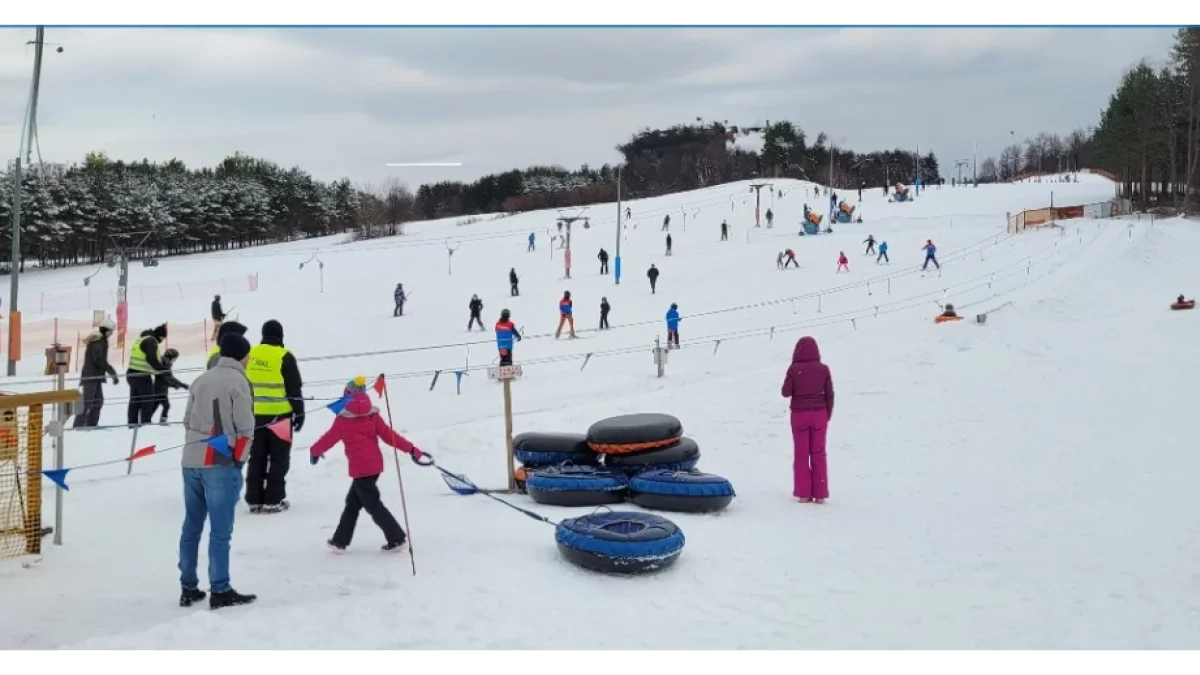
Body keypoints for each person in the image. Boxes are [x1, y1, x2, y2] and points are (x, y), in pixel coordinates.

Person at [179, 332, 257, 610]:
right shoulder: (238, 382)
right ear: (242, 355)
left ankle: (188, 587)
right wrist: (239, 460)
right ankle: (220, 589)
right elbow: (246, 428)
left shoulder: (201, 379)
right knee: (220, 531)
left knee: (192, 526)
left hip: (191, 461)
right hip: (221, 463)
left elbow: (187, 420)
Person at [310, 376, 430, 554]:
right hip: (374, 467)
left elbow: (329, 438)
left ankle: (397, 538)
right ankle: (339, 542)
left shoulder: (343, 420)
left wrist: (315, 451)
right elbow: (390, 436)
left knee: (373, 505)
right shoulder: (372, 416)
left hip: (360, 470)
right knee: (352, 503)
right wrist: (411, 449)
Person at [245, 320, 305, 514]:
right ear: (280, 336)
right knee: (279, 458)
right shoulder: (284, 356)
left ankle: (254, 500)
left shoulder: (249, 354)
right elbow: (293, 388)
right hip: (280, 416)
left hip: (253, 415)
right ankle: (273, 499)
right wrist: (300, 412)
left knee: (257, 457)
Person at [781, 336, 834, 504]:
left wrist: (792, 377)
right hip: (820, 415)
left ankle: (803, 493)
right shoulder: (824, 369)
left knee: (801, 453)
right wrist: (827, 415)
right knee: (818, 453)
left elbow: (786, 392)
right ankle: (820, 494)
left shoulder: (794, 369)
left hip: (799, 415)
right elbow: (830, 394)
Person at [73, 318, 119, 428]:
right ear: (106, 330)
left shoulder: (101, 340)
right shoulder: (98, 341)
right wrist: (111, 371)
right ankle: (78, 426)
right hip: (91, 376)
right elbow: (98, 359)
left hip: (96, 376)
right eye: (111, 331)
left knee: (98, 402)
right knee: (87, 402)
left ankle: (91, 425)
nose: (111, 334)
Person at [127, 324, 168, 426]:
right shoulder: (151, 342)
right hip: (142, 375)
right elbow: (151, 359)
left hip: (132, 373)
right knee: (148, 400)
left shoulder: (142, 339)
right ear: (159, 336)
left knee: (135, 400)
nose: (162, 341)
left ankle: (132, 423)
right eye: (162, 338)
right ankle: (146, 424)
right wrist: (162, 370)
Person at [152, 348, 190, 425]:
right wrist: (179, 385)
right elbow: (167, 379)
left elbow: (170, 378)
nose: (174, 361)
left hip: (161, 390)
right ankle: (157, 421)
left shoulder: (166, 365)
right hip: (159, 390)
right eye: (174, 359)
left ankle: (147, 419)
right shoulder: (163, 366)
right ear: (169, 358)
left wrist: (182, 384)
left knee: (156, 406)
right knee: (164, 406)